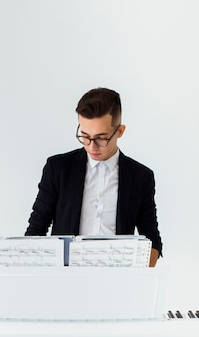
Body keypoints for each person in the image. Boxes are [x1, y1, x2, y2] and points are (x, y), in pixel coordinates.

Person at [25, 87, 162, 267]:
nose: (92, 146)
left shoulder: (140, 176)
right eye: (85, 136)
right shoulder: (57, 168)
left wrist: (136, 278)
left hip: (117, 281)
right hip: (64, 278)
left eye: (101, 138)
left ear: (120, 131)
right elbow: (36, 229)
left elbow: (151, 239)